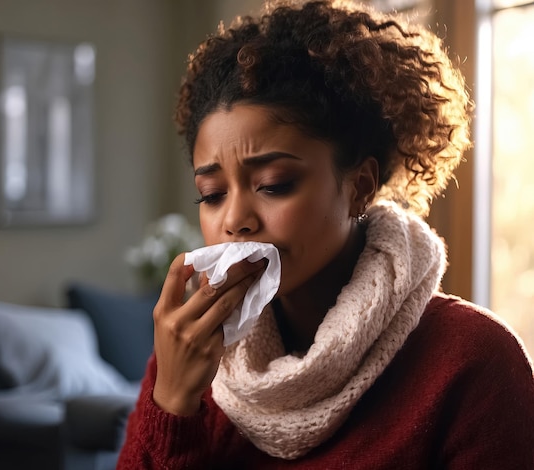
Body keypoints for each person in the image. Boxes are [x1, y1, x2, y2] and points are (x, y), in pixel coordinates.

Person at [117, 0, 534, 468]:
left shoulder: (471, 361)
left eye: (274, 184)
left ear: (359, 187)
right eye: (211, 194)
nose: (235, 219)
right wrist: (172, 401)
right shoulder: (191, 360)